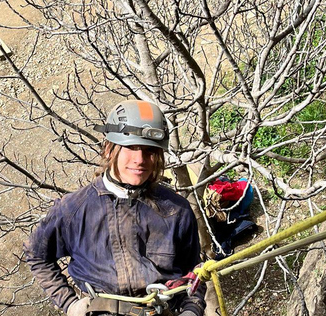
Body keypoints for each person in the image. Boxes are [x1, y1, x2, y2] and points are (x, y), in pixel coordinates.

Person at [24, 100, 206, 316]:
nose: (140, 160)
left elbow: (195, 269)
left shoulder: (176, 210)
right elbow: (37, 255)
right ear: (110, 149)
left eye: (149, 151)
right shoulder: (73, 210)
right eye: (130, 147)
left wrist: (192, 309)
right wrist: (70, 303)